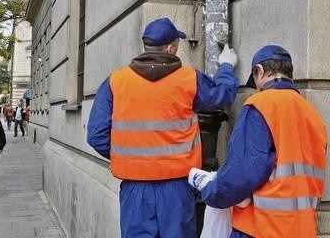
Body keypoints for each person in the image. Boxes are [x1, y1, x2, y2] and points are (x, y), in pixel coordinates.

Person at [87, 17, 239, 238]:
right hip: (176, 187)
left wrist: (129, 156)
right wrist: (226, 65)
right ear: (170, 48)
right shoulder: (188, 78)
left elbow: (96, 135)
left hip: (135, 189)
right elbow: (221, 95)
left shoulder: (115, 81)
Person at [188, 45, 327, 238]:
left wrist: (211, 190)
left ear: (259, 71)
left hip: (262, 228)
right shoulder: (313, 115)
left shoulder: (261, 106)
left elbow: (242, 174)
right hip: (303, 230)